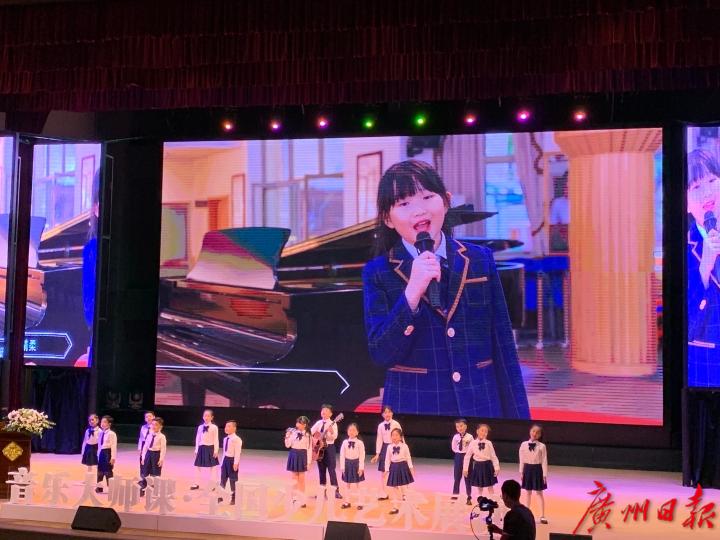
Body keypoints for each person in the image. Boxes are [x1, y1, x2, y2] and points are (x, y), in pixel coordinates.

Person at [362, 159, 530, 417]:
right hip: (415, 412)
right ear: (388, 218)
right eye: (404, 204)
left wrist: (519, 423)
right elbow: (381, 354)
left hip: (481, 407)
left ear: (446, 201)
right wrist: (411, 294)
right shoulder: (377, 272)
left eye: (427, 197)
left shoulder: (480, 259)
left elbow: (504, 347)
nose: (419, 210)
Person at [687, 149, 720, 387]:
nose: (707, 191)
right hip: (707, 367)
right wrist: (704, 268)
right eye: (697, 186)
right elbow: (687, 324)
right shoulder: (682, 249)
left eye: (712, 181)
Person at [310, 404, 342, 500]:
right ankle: (322, 492)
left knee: (331, 470)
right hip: (320, 449)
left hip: (329, 448)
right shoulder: (318, 423)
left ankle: (335, 491)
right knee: (321, 470)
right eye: (322, 410)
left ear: (331, 414)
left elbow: (334, 437)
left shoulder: (333, 423)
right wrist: (315, 440)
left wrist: (330, 433)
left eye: (326, 410)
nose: (324, 412)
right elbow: (310, 432)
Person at [371, 405, 402, 500]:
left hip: (395, 447)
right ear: (382, 414)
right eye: (385, 412)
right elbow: (379, 439)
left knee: (397, 471)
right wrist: (377, 454)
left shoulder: (396, 424)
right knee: (384, 472)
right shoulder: (380, 426)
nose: (387, 414)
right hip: (385, 448)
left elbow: (401, 437)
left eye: (389, 412)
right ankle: (384, 493)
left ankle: (401, 493)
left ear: (392, 413)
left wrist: (402, 449)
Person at [519, 424, 548, 524]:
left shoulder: (542, 446)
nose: (535, 434)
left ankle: (542, 516)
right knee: (528, 492)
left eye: (537, 432)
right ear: (530, 431)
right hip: (527, 469)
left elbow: (544, 460)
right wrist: (521, 472)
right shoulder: (523, 444)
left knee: (539, 493)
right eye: (533, 431)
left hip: (537, 469)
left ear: (540, 435)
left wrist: (544, 474)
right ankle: (526, 515)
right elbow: (521, 459)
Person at [463, 423, 499, 497]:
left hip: (488, 465)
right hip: (478, 465)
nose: (484, 433)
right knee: (479, 485)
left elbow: (493, 456)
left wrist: (497, 467)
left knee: (490, 485)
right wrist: (465, 469)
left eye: (486, 431)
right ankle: (480, 498)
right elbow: (467, 456)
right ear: (477, 431)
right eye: (482, 430)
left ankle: (492, 499)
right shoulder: (473, 443)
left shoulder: (489, 443)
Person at [384, 428, 414, 515]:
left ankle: (407, 503)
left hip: (403, 466)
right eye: (393, 435)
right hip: (394, 467)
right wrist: (386, 469)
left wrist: (411, 468)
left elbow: (408, 457)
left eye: (396, 435)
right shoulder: (389, 447)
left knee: (404, 486)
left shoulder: (404, 446)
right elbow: (387, 459)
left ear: (401, 437)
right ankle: (395, 507)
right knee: (394, 487)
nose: (394, 437)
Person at [285, 415, 312, 507]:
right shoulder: (293, 433)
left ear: (304, 425)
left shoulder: (308, 435)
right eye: (297, 422)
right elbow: (287, 445)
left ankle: (302, 498)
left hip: (302, 455)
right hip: (294, 454)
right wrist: (287, 436)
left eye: (300, 423)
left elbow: (309, 449)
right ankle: (294, 498)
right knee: (294, 478)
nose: (297, 424)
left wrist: (308, 462)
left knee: (302, 479)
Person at [190, 409, 219, 490]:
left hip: (210, 448)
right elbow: (197, 438)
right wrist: (196, 449)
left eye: (208, 416)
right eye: (205, 415)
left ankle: (213, 484)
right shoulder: (200, 427)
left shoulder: (214, 427)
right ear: (203, 417)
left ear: (212, 417)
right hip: (201, 448)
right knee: (197, 466)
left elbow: (216, 439)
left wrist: (216, 450)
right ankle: (196, 484)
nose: (206, 417)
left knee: (213, 467)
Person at [339, 423, 366, 509]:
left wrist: (361, 468)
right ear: (347, 432)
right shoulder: (344, 442)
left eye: (354, 430)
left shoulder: (360, 443)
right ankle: (347, 502)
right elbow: (342, 455)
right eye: (350, 430)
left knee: (359, 484)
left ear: (357, 432)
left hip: (356, 464)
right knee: (347, 484)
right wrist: (342, 467)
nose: (352, 432)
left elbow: (362, 456)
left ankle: (360, 503)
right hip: (347, 464)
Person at [139, 417, 167, 495]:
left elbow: (163, 449)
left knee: (156, 472)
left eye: (156, 425)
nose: (154, 426)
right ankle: (144, 487)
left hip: (156, 454)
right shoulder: (149, 435)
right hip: (148, 453)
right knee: (145, 471)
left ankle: (156, 490)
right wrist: (143, 457)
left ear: (161, 427)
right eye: (153, 424)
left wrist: (161, 459)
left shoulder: (162, 436)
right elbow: (145, 447)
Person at [451, 418, 473, 505]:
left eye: (461, 426)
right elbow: (453, 447)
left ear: (466, 426)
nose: (459, 428)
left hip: (467, 457)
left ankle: (469, 497)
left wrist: (467, 455)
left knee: (468, 478)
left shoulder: (470, 437)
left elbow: (472, 448)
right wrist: (458, 453)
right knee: (457, 477)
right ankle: (455, 495)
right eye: (457, 427)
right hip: (458, 456)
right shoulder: (455, 437)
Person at [220, 420, 242, 505]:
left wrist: (236, 463)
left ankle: (234, 498)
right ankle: (220, 496)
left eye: (229, 426)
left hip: (232, 461)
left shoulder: (237, 439)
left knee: (233, 480)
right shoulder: (225, 439)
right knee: (223, 479)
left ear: (234, 428)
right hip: (225, 460)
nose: (226, 428)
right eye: (226, 426)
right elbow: (224, 452)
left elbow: (237, 452)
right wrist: (222, 463)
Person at [96, 415, 117, 493]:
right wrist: (98, 455)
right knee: (100, 470)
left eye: (105, 422)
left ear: (109, 424)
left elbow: (113, 446)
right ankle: (99, 487)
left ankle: (111, 488)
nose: (102, 424)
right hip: (101, 453)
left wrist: (113, 457)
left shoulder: (112, 434)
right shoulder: (101, 433)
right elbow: (99, 445)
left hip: (107, 453)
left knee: (108, 470)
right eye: (101, 422)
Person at [138, 411, 155, 477]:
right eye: (146, 417)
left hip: (152, 445)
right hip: (143, 445)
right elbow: (141, 438)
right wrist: (139, 448)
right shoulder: (143, 427)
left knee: (151, 461)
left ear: (154, 417)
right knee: (142, 461)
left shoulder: (155, 427)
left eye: (150, 416)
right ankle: (143, 477)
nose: (148, 418)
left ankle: (152, 478)